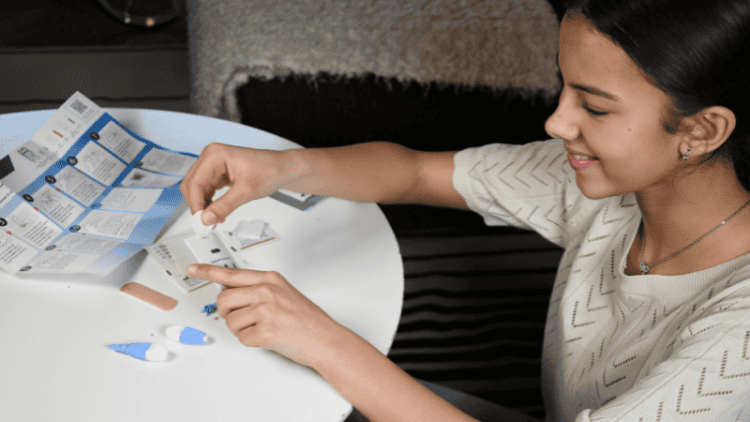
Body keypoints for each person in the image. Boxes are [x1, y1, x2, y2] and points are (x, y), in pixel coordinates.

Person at [179, 0, 750, 420]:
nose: (556, 123)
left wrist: (325, 341)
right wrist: (283, 167)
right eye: (564, 89)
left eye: (594, 108)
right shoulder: (611, 186)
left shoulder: (739, 333)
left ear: (701, 130)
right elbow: (417, 171)